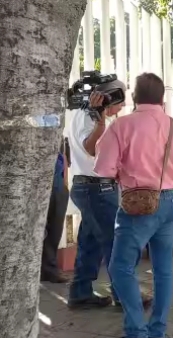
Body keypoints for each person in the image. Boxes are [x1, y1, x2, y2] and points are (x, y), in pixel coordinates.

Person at [95, 73, 173, 338]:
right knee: (163, 268)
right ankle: (157, 333)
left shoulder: (122, 126)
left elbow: (103, 169)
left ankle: (137, 336)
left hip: (138, 204)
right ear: (161, 98)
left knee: (119, 266)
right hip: (170, 204)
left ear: (134, 97)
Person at [65, 79, 129, 309]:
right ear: (109, 98)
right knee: (115, 242)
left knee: (89, 243)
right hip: (95, 188)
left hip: (93, 188)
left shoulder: (93, 116)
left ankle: (80, 294)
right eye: (120, 102)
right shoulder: (89, 117)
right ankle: (124, 296)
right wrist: (101, 122)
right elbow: (91, 149)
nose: (122, 107)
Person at [41, 150, 70, 283]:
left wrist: (65, 182)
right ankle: (43, 269)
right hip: (40, 182)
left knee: (55, 229)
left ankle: (49, 269)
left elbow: (63, 158)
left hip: (58, 182)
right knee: (39, 230)